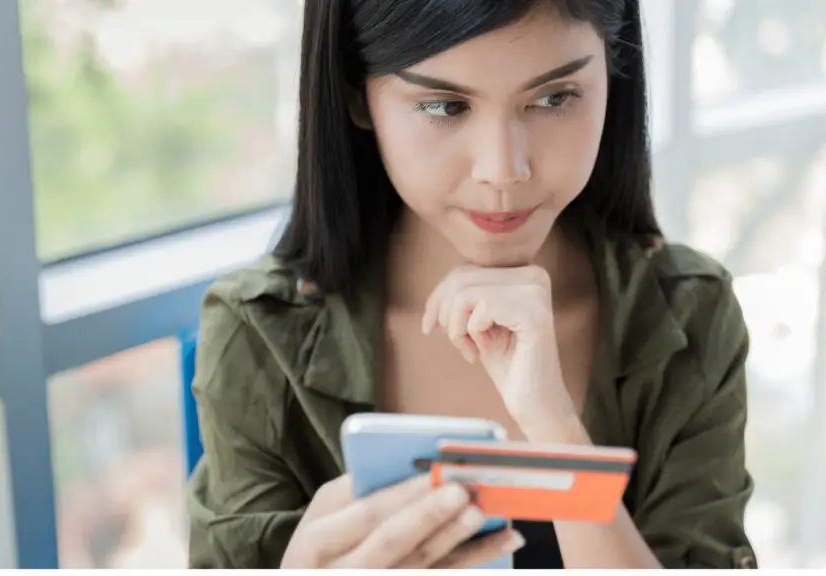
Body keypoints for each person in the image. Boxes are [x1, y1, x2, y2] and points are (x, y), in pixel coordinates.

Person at [186, 0, 757, 569]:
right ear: (357, 92)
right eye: (444, 105)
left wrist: (555, 428)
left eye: (554, 98)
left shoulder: (687, 316)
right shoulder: (258, 333)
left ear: (613, 70)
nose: (503, 169)